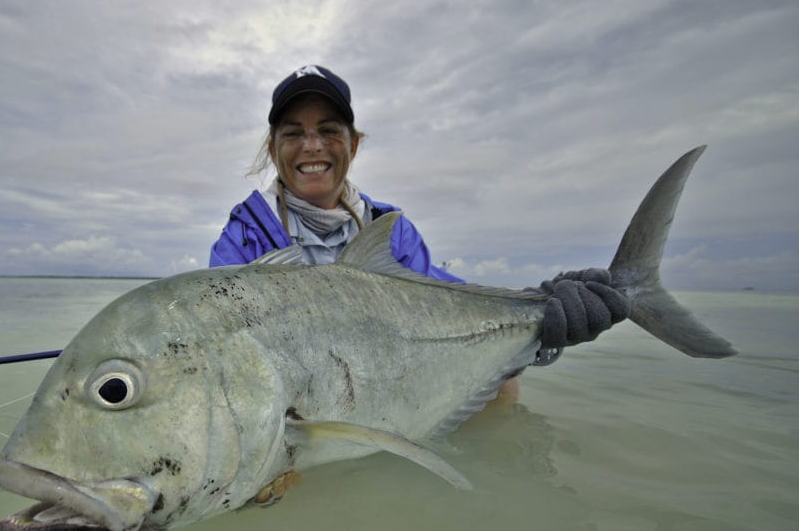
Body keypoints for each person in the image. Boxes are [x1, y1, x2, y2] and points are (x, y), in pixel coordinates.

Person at [209, 65, 629, 371]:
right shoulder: (244, 236)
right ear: (273, 147)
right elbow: (218, 351)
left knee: (506, 387)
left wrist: (542, 314)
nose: (312, 145)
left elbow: (451, 309)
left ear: (353, 146)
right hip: (297, 401)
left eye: (329, 130)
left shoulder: (390, 231)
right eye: (294, 133)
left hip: (394, 379)